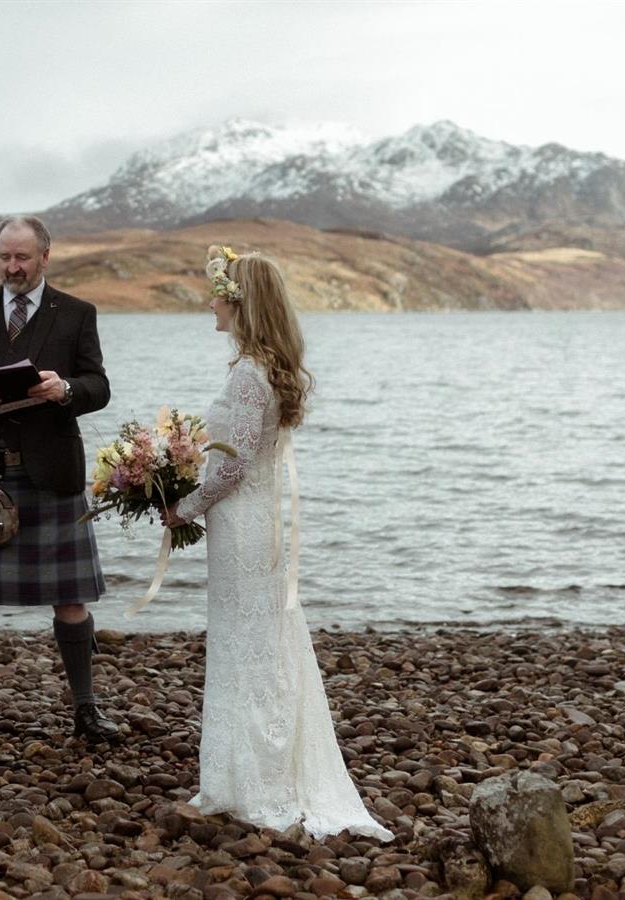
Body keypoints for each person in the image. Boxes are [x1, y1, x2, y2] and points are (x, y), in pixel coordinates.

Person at [162, 246, 392, 841]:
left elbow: (233, 467)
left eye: (217, 292)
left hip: (242, 524)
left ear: (239, 301)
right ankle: (256, 769)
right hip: (259, 521)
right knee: (262, 642)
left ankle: (254, 781)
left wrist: (182, 506)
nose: (210, 301)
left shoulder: (246, 372)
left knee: (245, 645)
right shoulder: (267, 368)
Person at [0, 215, 119, 755]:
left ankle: (86, 710)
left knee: (71, 597)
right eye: (4, 257)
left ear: (45, 257)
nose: (12, 267)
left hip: (49, 474)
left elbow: (98, 385)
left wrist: (66, 389)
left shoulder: (77, 314)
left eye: (22, 258)